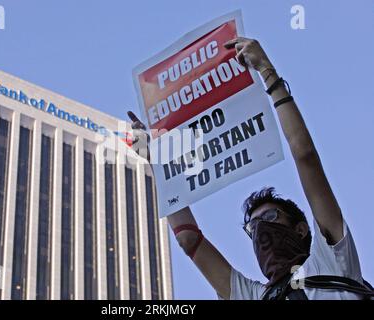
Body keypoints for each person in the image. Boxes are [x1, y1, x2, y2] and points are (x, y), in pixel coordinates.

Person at [127, 37, 371, 300]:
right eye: (253, 227)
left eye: (269, 219)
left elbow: (305, 155)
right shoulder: (254, 296)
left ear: (300, 229)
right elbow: (189, 240)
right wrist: (157, 164)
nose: (261, 231)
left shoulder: (331, 261)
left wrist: (267, 71)